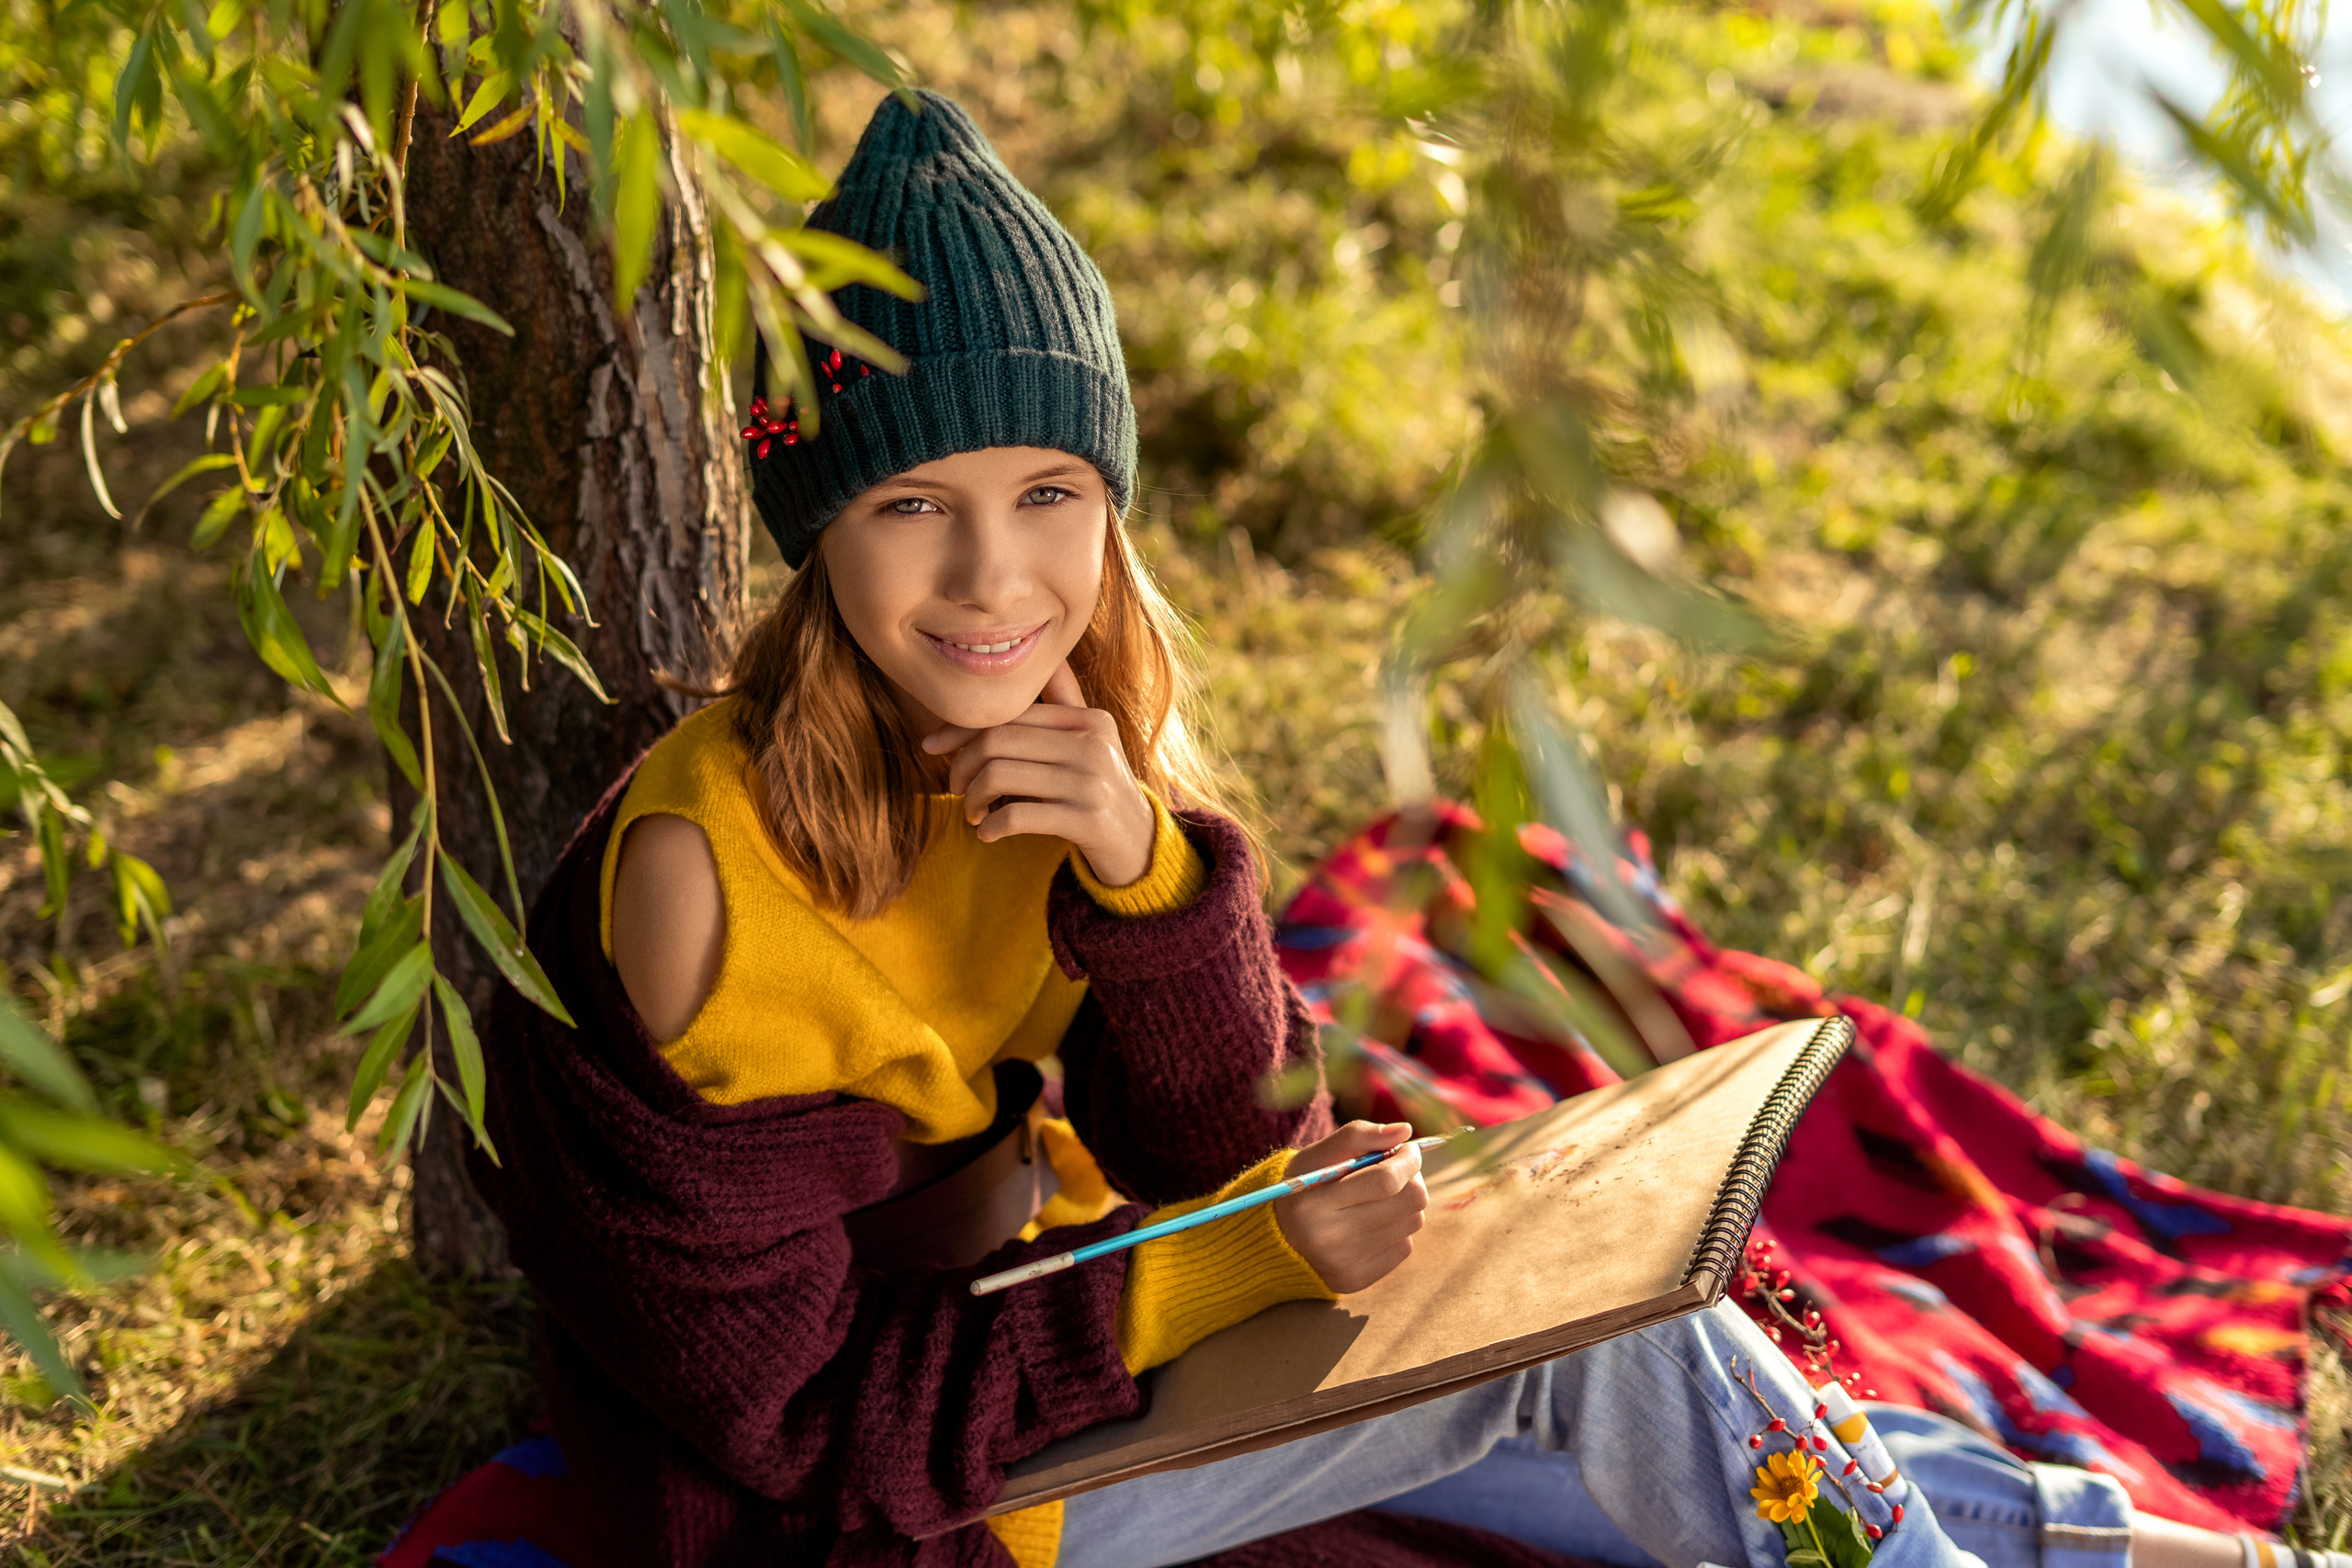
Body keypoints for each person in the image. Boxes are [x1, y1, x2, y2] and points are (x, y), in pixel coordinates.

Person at [470, 89, 2335, 1568]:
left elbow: (1219, 1131)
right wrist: (1228, 1266)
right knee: (1606, 1352)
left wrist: (1146, 885)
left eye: (1048, 490)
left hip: (1039, 1336)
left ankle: (2150, 1561)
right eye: (909, 508)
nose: (991, 575)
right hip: (878, 1507)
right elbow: (793, 1422)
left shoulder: (1054, 753)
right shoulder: (696, 883)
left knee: (1609, 1329)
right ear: (819, 529)